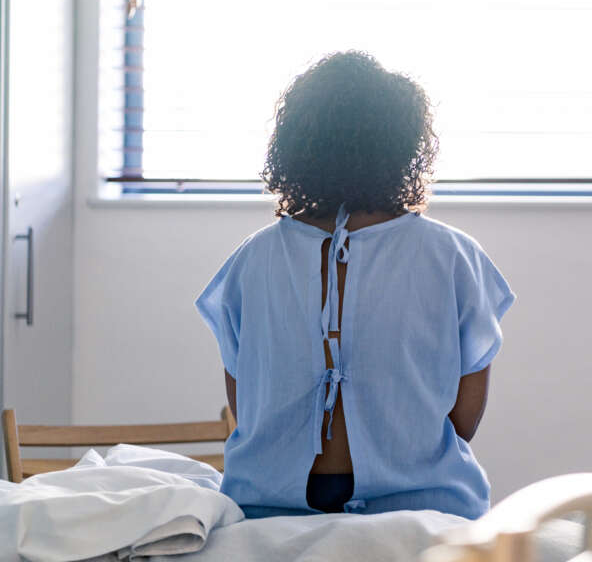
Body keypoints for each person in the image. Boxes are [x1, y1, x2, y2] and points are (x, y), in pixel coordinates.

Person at [196, 51, 514, 518]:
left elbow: (245, 413)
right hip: (422, 508)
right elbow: (463, 422)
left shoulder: (250, 261)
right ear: (404, 146)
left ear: (295, 146)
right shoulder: (454, 257)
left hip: (269, 509)